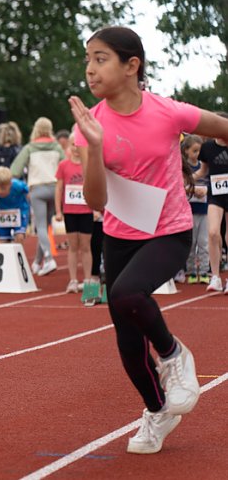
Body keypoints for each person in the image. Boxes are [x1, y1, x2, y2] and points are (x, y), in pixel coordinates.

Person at [69, 25, 224, 454]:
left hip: (168, 230)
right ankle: (156, 412)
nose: (90, 70)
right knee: (126, 336)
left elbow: (221, 127)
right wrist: (95, 149)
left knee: (127, 293)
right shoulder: (89, 124)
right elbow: (96, 199)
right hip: (119, 233)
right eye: (87, 59)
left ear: (131, 65)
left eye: (100, 59)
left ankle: (175, 357)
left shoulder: (168, 113)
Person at [11, 117, 65, 276]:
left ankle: (48, 259)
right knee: (46, 226)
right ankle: (36, 262)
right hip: (55, 189)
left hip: (37, 189)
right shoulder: (57, 147)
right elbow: (66, 165)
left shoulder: (29, 148)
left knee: (40, 226)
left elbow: (15, 169)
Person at [54, 131, 94, 293]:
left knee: (85, 246)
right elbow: (58, 189)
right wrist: (58, 210)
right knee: (72, 246)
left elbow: (94, 186)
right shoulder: (63, 165)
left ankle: (88, 279)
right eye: (73, 145)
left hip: (86, 210)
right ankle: (72, 280)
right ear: (69, 146)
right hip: (70, 211)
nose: (76, 148)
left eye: (79, 145)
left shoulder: (88, 164)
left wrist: (96, 208)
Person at [194, 117, 228, 292]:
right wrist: (188, 180)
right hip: (216, 194)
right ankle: (215, 277)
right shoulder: (207, 148)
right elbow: (202, 170)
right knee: (213, 232)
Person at [180, 135, 208, 284]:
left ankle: (204, 271)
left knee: (203, 241)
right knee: (191, 243)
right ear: (186, 151)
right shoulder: (184, 168)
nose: (198, 154)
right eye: (195, 150)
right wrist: (192, 190)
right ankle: (190, 271)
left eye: (199, 151)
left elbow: (213, 183)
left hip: (204, 210)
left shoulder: (205, 167)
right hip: (189, 211)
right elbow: (179, 186)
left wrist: (206, 191)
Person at [0, 167, 30, 244]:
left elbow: (29, 192)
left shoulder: (18, 186)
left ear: (10, 184)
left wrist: (28, 207)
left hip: (20, 212)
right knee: (1, 240)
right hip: (4, 215)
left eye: (3, 188)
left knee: (19, 236)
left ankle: (17, 254)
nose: (0, 191)